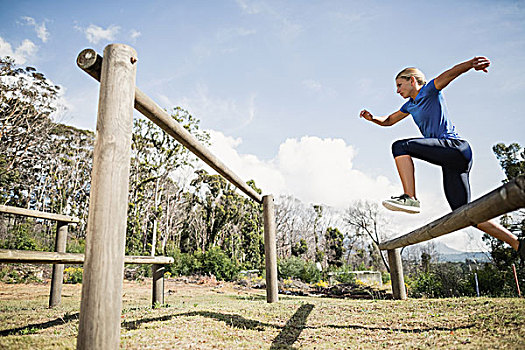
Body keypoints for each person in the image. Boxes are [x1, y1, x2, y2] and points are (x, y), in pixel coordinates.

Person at [359, 56, 524, 259]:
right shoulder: (409, 106)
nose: (397, 91)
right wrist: (373, 118)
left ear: (413, 81)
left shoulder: (429, 90)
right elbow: (390, 120)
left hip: (455, 148)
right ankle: (517, 244)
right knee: (464, 212)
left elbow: (450, 73)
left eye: (400, 85)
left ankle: (410, 197)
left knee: (400, 147)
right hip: (451, 161)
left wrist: (470, 65)